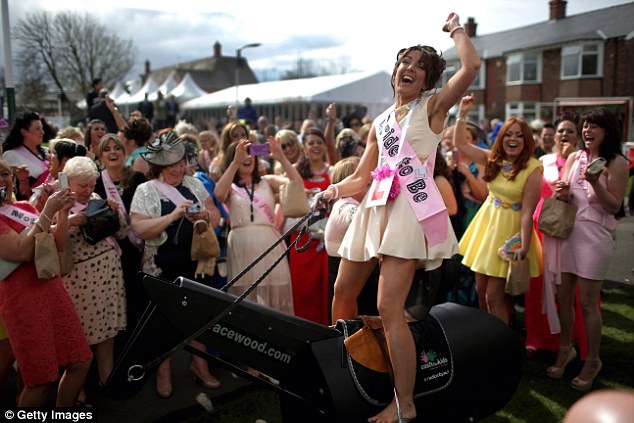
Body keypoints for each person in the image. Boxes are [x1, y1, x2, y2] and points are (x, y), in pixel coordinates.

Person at [314, 13, 480, 422]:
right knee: (342, 291)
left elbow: (472, 67)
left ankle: (404, 404)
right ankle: (351, 366)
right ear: (394, 73)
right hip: (376, 207)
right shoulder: (381, 122)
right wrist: (334, 190)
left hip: (408, 211)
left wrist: (456, 30)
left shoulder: (434, 107)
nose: (409, 69)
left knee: (390, 309)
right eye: (404, 62)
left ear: (427, 80)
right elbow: (360, 176)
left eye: (419, 66)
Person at [130, 131, 222, 398]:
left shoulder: (194, 184)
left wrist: (206, 215)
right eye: (172, 163)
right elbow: (139, 228)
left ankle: (199, 365)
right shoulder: (145, 190)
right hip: (161, 266)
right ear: (159, 166)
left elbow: (215, 216)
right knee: (161, 321)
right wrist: (172, 216)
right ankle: (163, 371)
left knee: (197, 316)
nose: (179, 167)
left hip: (195, 262)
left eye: (181, 162)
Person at [545, 108, 627, 391]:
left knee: (588, 303)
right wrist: (562, 191)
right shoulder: (574, 157)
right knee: (563, 297)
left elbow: (614, 206)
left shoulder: (617, 162)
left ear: (608, 131)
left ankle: (593, 360)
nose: (587, 131)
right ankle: (566, 350)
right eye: (585, 126)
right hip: (567, 233)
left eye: (595, 126)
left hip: (595, 237)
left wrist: (594, 182)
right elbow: (565, 193)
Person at [0, 159, 93, 406]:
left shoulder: (21, 207)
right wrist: (48, 210)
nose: (2, 179)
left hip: (51, 290)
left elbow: (57, 244)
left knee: (81, 361)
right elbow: (20, 251)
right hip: (23, 300)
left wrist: (63, 213)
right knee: (41, 380)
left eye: (4, 173)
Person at [457, 96, 543, 325]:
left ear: (526, 140)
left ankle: (499, 348)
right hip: (486, 227)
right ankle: (489, 339)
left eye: (518, 135)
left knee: (494, 296)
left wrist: (524, 244)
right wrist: (463, 114)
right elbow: (461, 145)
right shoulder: (492, 158)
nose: (512, 139)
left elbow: (527, 211)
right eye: (508, 134)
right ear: (501, 138)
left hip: (509, 232)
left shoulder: (533, 168)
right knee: (480, 291)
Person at [525, 114, 588, 358]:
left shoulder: (582, 164)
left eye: (570, 131)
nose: (563, 135)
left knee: (566, 288)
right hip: (541, 230)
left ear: (579, 136)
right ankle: (537, 337)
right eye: (561, 130)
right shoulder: (544, 160)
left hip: (568, 232)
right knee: (538, 286)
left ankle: (568, 339)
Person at [214, 137, 300, 313]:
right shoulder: (230, 186)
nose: (248, 158)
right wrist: (235, 163)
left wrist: (281, 157)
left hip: (270, 246)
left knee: (274, 296)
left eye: (250, 153)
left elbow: (296, 183)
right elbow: (219, 194)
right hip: (241, 247)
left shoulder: (267, 181)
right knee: (244, 298)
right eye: (242, 154)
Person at [63, 156, 127, 392]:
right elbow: (46, 235)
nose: (88, 190)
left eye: (91, 184)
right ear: (68, 182)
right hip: (81, 279)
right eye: (83, 185)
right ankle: (77, 389)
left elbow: (119, 233)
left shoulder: (96, 198)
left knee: (108, 329)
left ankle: (106, 380)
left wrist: (114, 213)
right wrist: (71, 220)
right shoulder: (59, 204)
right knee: (83, 335)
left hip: (109, 273)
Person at [94, 134, 147, 329]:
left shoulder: (137, 178)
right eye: (106, 149)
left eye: (116, 148)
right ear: (100, 156)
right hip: (112, 250)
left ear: (124, 153)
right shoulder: (97, 182)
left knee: (137, 301)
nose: (112, 152)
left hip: (137, 248)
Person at [324, 156, 378, 322]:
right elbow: (360, 220)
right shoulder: (344, 206)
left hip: (360, 286)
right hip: (351, 292)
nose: (372, 187)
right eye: (367, 183)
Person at [289, 128, 332, 325]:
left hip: (328, 242)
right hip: (303, 241)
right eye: (311, 142)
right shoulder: (295, 172)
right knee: (302, 290)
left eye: (319, 142)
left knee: (326, 292)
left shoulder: (333, 172)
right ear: (304, 147)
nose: (316, 146)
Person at [2, 111, 49, 200]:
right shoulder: (11, 155)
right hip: (29, 206)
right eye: (37, 129)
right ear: (24, 131)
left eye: (42, 128)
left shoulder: (47, 152)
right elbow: (9, 188)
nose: (42, 132)